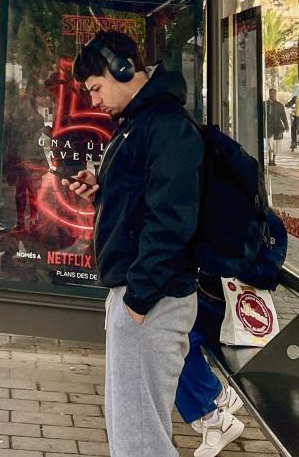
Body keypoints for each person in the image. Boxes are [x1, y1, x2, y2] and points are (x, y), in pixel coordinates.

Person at [66, 30, 202, 457]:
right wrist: (102, 189)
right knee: (132, 428)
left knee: (140, 437)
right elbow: (145, 201)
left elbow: (172, 219)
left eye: (96, 87)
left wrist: (139, 299)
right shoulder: (139, 124)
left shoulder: (165, 126)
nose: (94, 100)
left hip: (152, 298)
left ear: (122, 69)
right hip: (139, 293)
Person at [174, 275, 246, 456]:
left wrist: (218, 260)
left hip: (232, 308)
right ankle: (215, 404)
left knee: (175, 343)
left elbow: (267, 274)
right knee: (168, 338)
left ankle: (212, 412)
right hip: (204, 297)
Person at [265, 88, 288, 166]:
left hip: (278, 128)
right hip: (268, 127)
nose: (272, 95)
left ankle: (273, 160)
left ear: (275, 94)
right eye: (271, 93)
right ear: (269, 94)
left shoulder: (279, 105)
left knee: (276, 146)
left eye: (274, 93)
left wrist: (286, 126)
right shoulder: (265, 104)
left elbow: (284, 117)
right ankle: (270, 159)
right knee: (269, 144)